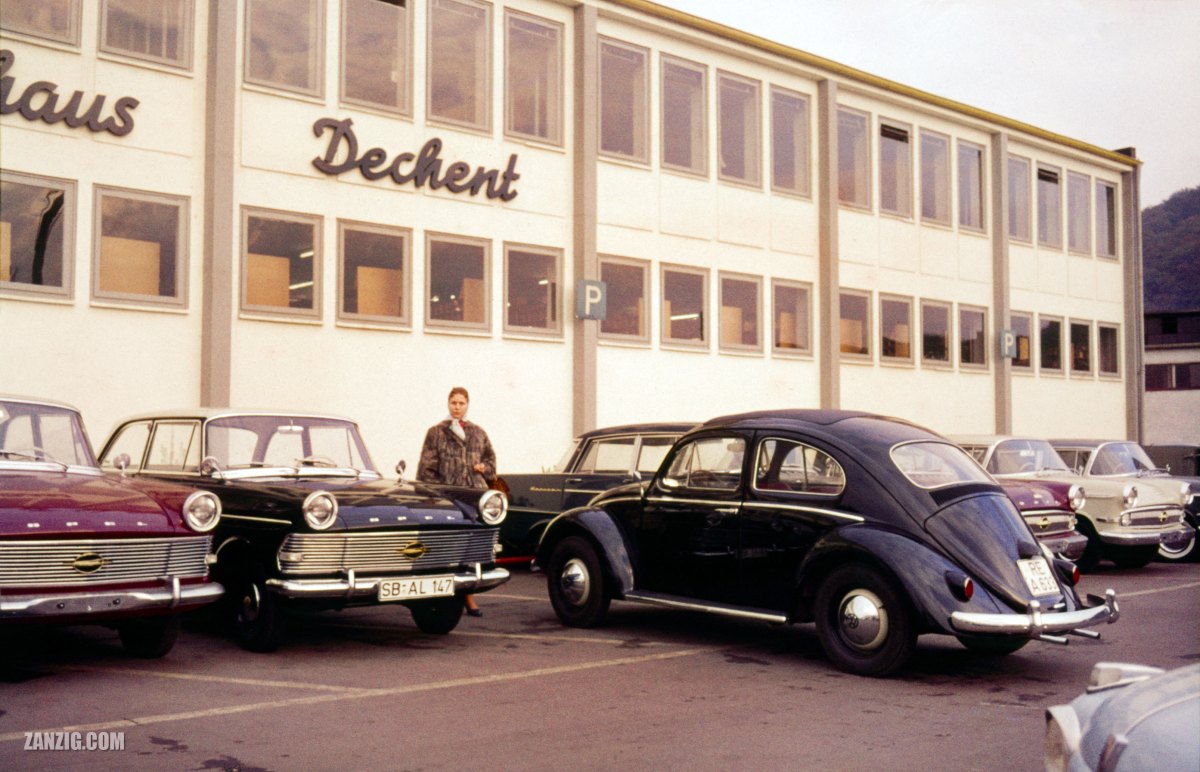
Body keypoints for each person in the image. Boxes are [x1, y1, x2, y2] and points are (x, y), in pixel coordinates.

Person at [417, 386, 496, 617]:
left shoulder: (478, 432)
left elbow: (491, 461)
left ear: (467, 405)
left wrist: (484, 468)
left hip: (473, 496)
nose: (457, 407)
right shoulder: (436, 432)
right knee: (451, 546)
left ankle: (466, 592)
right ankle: (464, 598)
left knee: (471, 547)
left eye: (462, 403)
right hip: (449, 498)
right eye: (454, 403)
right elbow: (426, 469)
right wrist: (434, 496)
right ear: (448, 404)